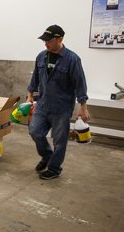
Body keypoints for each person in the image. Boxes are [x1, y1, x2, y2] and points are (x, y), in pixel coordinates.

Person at [26, 24, 90, 180]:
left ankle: (54, 168)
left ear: (59, 39)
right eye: (44, 40)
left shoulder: (72, 59)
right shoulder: (41, 56)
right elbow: (35, 79)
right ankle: (47, 156)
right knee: (35, 132)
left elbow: (80, 83)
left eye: (48, 40)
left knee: (60, 141)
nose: (45, 43)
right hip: (42, 104)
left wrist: (83, 107)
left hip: (61, 108)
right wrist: (29, 95)